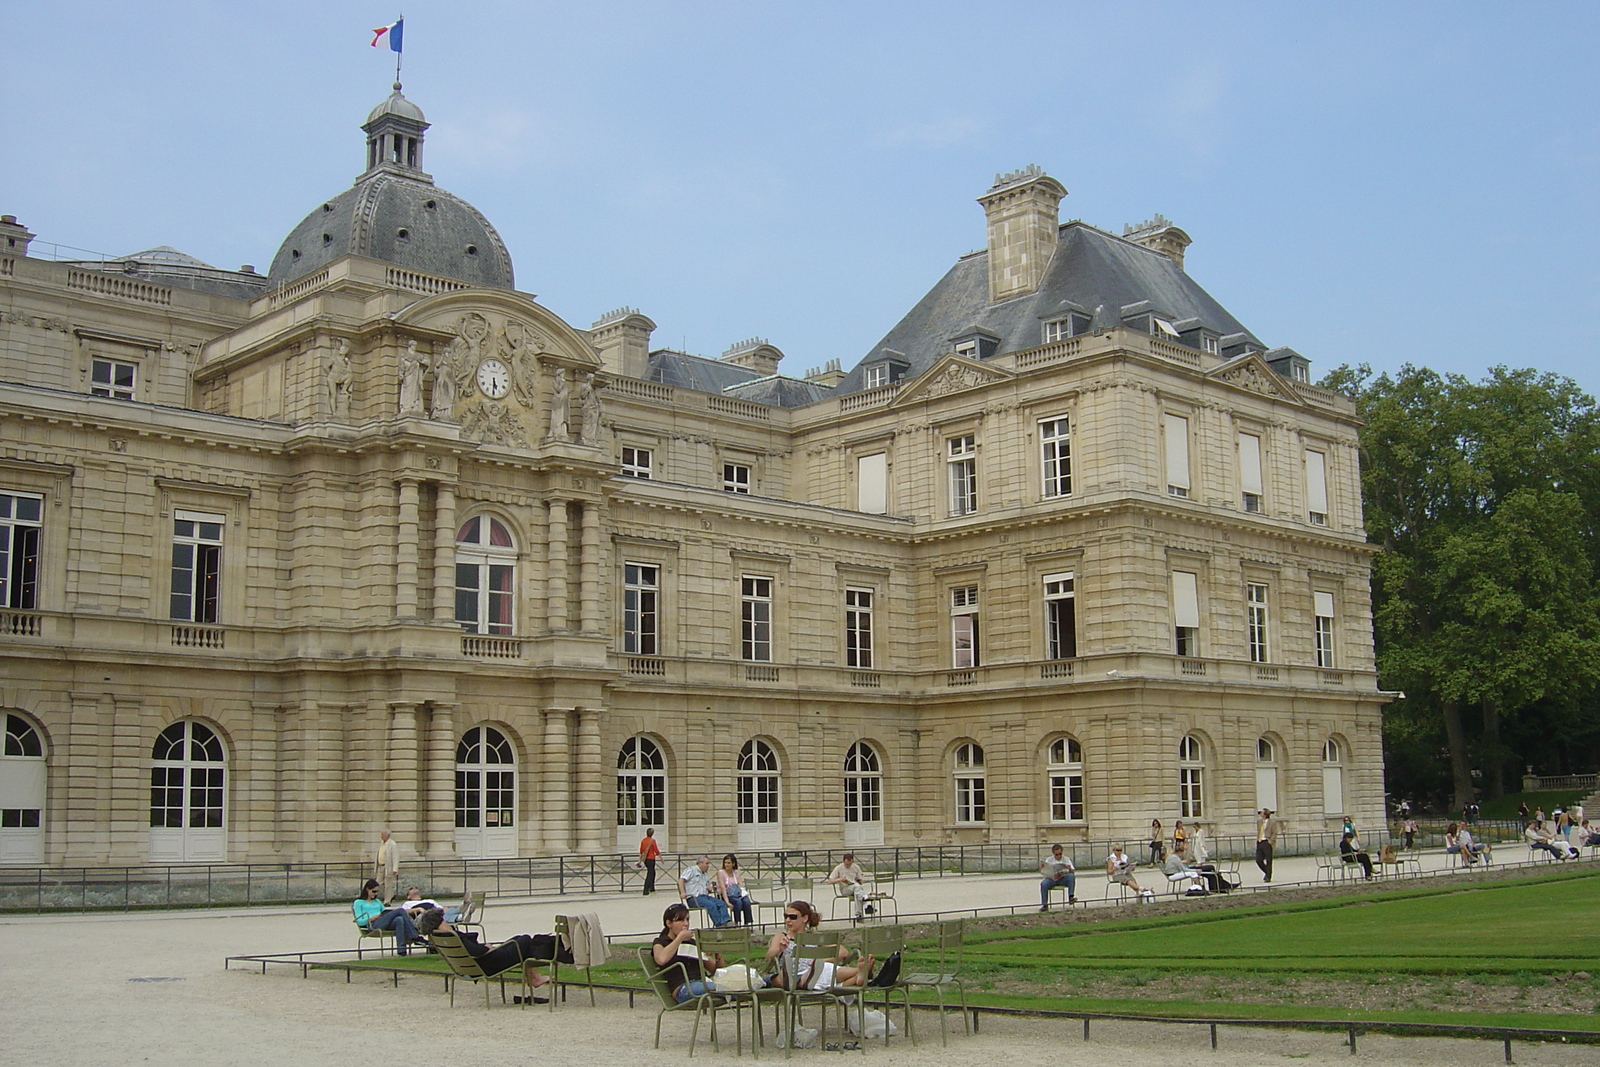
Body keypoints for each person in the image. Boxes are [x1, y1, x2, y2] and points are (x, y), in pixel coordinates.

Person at [416, 907, 560, 1003]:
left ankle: (534, 977)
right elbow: (477, 952)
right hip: (489, 964)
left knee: (518, 939)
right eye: (443, 920)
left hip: (476, 965)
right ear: (439, 923)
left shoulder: (444, 937)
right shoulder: (453, 936)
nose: (446, 921)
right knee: (525, 940)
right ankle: (535, 977)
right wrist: (486, 947)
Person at [764, 899, 872, 990]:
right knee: (824, 974)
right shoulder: (781, 936)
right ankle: (862, 973)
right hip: (794, 976)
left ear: (805, 918)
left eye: (792, 917)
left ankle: (860, 975)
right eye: (786, 916)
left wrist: (819, 962)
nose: (788, 920)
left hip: (816, 971)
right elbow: (769, 955)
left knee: (825, 970)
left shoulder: (815, 937)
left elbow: (843, 952)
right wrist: (779, 949)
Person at [652, 902, 724, 1002]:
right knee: (726, 988)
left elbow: (716, 971)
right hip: (683, 988)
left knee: (737, 990)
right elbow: (661, 959)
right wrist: (679, 939)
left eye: (687, 919)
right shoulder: (661, 942)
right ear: (669, 924)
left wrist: (718, 955)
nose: (686, 924)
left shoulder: (692, 943)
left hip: (703, 984)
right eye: (680, 920)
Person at [352, 878, 422, 954]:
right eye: (373, 891)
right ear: (367, 889)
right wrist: (371, 918)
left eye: (377, 892)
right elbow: (359, 921)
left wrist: (384, 914)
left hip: (382, 921)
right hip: (372, 924)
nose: (375, 894)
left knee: (399, 919)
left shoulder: (377, 901)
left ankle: (401, 950)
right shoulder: (358, 902)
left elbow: (385, 912)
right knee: (400, 910)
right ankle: (414, 935)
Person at [679, 855, 732, 927]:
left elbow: (706, 885)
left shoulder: (705, 874)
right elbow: (681, 880)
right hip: (694, 897)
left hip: (705, 896)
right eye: (707, 863)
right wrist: (682, 892)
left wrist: (709, 888)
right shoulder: (691, 870)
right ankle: (719, 925)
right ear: (700, 863)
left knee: (721, 903)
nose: (708, 866)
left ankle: (726, 921)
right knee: (711, 905)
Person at [827, 852, 872, 920]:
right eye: (846, 864)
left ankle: (859, 915)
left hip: (855, 888)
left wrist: (859, 880)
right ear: (843, 861)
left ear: (852, 861)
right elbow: (829, 881)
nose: (848, 866)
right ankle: (866, 903)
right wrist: (840, 879)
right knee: (857, 888)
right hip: (845, 889)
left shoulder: (856, 867)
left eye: (850, 864)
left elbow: (861, 881)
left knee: (857, 891)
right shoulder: (839, 868)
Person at [718, 853, 753, 925]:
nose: (726, 865)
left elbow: (741, 885)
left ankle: (747, 924)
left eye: (729, 863)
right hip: (727, 894)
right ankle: (737, 922)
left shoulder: (736, 872)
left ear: (733, 864)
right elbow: (723, 888)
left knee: (746, 902)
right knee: (738, 902)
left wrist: (744, 894)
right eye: (725, 863)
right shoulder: (721, 873)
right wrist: (727, 902)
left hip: (737, 893)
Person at [1039, 843, 1077, 909]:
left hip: (1062, 879)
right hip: (1052, 879)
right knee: (1043, 884)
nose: (1059, 856)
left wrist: (1069, 868)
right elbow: (1044, 872)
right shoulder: (1049, 860)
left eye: (1060, 854)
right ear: (1053, 854)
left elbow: (1073, 872)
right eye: (1057, 854)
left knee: (1071, 877)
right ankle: (1045, 904)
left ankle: (1071, 897)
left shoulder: (1066, 859)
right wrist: (1042, 868)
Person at [375, 829, 400, 901]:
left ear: (388, 835)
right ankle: (391, 895)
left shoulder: (392, 844)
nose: (381, 836)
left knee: (388, 885)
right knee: (378, 883)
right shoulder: (381, 843)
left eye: (383, 834)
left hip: (388, 867)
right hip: (380, 866)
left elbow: (395, 857)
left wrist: (395, 869)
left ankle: (387, 901)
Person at [1255, 808, 1280, 883]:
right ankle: (1267, 872)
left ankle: (1268, 876)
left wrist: (1271, 841)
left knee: (1268, 860)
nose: (1260, 814)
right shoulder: (1259, 822)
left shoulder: (1272, 822)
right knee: (1258, 860)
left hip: (1267, 842)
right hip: (1260, 841)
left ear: (1265, 814)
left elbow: (1275, 832)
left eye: (1262, 813)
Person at [638, 827, 661, 896]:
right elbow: (656, 850)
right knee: (650, 874)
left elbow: (641, 850)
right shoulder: (652, 841)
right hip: (651, 858)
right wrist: (660, 856)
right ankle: (646, 890)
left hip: (646, 859)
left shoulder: (643, 840)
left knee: (652, 872)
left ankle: (652, 888)